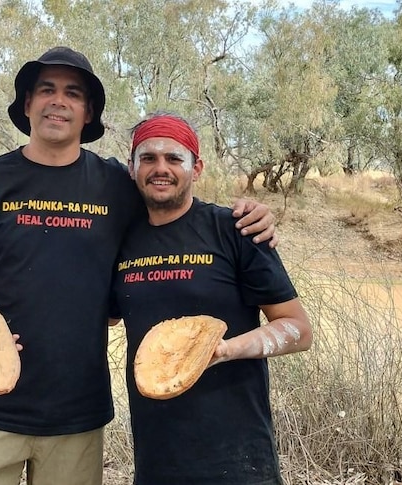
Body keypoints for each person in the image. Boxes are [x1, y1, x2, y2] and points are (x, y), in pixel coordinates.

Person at [0, 47, 277, 485]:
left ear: (88, 110)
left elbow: (174, 201)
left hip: (77, 415)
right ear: (27, 104)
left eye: (72, 93)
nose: (58, 101)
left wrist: (249, 215)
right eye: (46, 90)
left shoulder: (117, 184)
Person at [111, 113, 312, 485]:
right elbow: (101, 316)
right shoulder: (121, 240)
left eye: (174, 158)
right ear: (132, 167)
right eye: (148, 158)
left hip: (238, 456)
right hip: (157, 454)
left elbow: (298, 330)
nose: (161, 168)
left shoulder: (235, 228)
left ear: (196, 167)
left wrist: (220, 351)